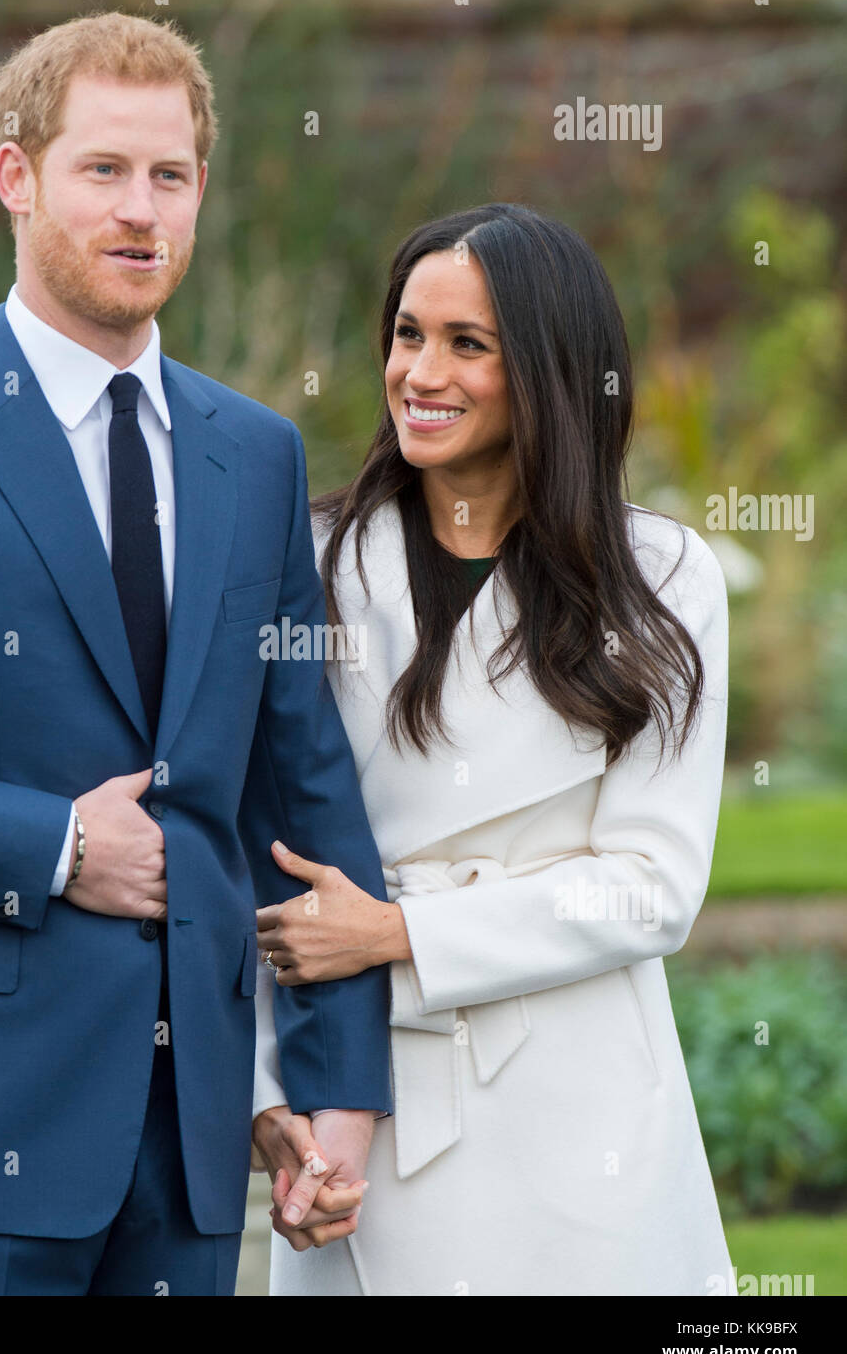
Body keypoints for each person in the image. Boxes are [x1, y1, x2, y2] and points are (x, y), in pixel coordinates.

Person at [0, 11, 389, 1296]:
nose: (139, 210)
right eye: (102, 170)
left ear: (202, 191)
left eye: (169, 176)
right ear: (18, 177)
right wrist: (51, 847)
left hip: (189, 1140)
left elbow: (303, 786)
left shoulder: (259, 452)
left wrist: (332, 1089)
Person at [252, 203, 736, 1295]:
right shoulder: (311, 562)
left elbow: (653, 887)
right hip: (367, 1107)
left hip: (580, 1113)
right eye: (407, 333)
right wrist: (268, 1099)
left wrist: (402, 929)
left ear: (554, 372)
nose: (422, 371)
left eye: (468, 344)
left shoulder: (664, 579)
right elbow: (256, 848)